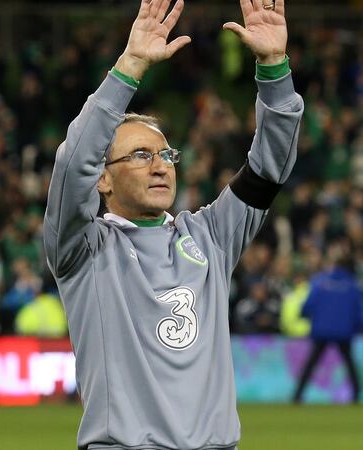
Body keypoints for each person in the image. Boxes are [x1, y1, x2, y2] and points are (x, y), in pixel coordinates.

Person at [43, 0, 302, 449]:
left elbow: (269, 169)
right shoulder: (81, 247)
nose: (160, 166)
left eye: (166, 155)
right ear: (103, 178)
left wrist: (275, 67)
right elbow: (74, 161)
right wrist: (130, 66)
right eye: (141, 156)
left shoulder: (211, 236)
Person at [292, 242, 363, 404]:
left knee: (311, 363)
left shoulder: (320, 281)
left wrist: (304, 314)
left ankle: (297, 395)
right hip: (343, 331)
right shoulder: (353, 285)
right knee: (349, 363)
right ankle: (357, 395)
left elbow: (308, 306)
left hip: (322, 330)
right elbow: (359, 311)